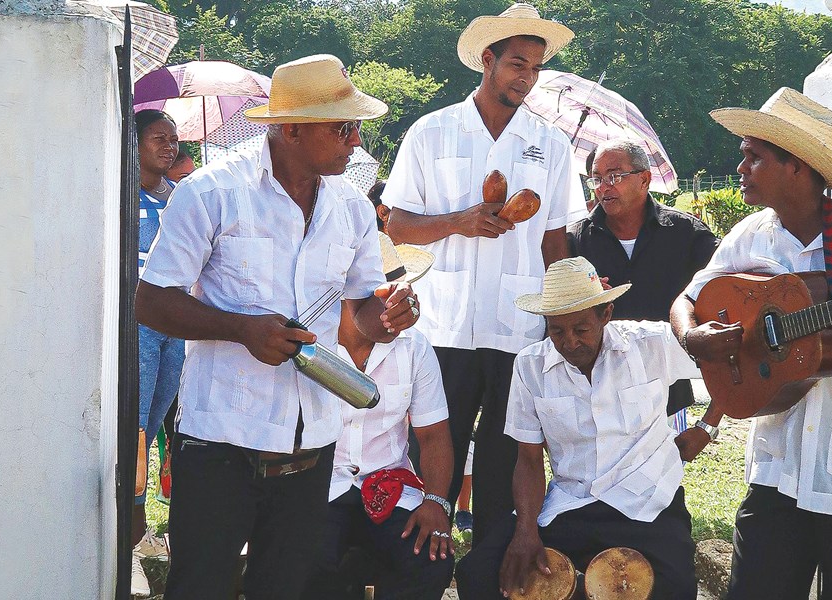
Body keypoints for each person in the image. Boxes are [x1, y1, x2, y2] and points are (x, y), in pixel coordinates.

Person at [135, 54, 421, 600]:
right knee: (201, 587)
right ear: (291, 129)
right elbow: (150, 302)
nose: (355, 141)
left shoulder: (353, 209)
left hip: (312, 448)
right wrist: (240, 329)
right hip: (221, 443)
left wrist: (386, 315)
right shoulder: (214, 191)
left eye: (356, 126)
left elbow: (359, 316)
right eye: (342, 127)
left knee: (285, 590)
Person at [670, 87, 832, 599]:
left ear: (796, 168)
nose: (741, 166)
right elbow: (689, 296)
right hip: (778, 464)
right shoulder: (750, 236)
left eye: (754, 157)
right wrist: (693, 336)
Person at [382, 2, 585, 544]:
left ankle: (493, 571)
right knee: (431, 454)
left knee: (504, 461)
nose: (528, 78)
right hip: (441, 327)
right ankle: (419, 567)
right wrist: (459, 222)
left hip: (518, 328)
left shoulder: (552, 143)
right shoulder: (432, 132)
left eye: (537, 68)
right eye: (518, 64)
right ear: (488, 60)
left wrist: (561, 315)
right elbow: (396, 223)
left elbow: (554, 238)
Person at [455, 257, 700, 600]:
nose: (569, 342)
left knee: (675, 589)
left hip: (647, 502)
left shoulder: (651, 343)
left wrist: (708, 426)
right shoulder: (530, 366)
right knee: (479, 574)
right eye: (557, 330)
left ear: (606, 314)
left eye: (581, 329)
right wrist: (525, 529)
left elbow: (729, 361)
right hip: (571, 503)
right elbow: (527, 460)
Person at [302, 234, 454, 600]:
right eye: (389, 300)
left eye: (405, 297)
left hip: (391, 484)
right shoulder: (309, 344)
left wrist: (436, 501)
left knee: (431, 557)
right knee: (311, 564)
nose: (402, 310)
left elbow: (434, 436)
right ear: (351, 299)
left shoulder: (415, 348)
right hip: (318, 485)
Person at [566, 138, 719, 437]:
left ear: (645, 179)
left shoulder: (686, 235)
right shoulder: (576, 242)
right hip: (595, 392)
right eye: (596, 179)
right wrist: (581, 299)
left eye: (614, 176)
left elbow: (725, 298)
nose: (603, 187)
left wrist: (710, 422)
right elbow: (558, 317)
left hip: (668, 390)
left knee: (665, 480)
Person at [131, 108, 182, 597]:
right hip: (139, 327)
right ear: (135, 143)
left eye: (173, 139)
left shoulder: (180, 199)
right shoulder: (122, 195)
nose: (169, 147)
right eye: (158, 139)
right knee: (137, 424)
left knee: (163, 421)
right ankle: (131, 522)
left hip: (178, 327)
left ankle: (151, 520)